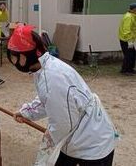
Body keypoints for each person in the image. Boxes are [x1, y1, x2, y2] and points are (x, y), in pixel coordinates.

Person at [9, 25, 117, 166]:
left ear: (27, 55)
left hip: (91, 145)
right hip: (79, 135)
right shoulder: (44, 67)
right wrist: (26, 112)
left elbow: (63, 124)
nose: (13, 61)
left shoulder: (52, 78)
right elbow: (46, 99)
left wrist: (48, 140)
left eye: (14, 56)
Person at [118, 3, 136, 75]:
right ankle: (125, 70)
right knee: (129, 55)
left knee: (132, 54)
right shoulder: (129, 17)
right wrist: (129, 41)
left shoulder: (132, 16)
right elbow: (127, 30)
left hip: (128, 39)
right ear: (134, 9)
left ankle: (130, 69)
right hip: (126, 39)